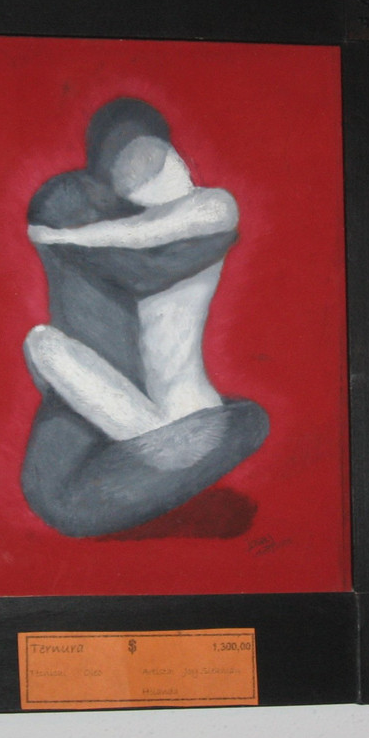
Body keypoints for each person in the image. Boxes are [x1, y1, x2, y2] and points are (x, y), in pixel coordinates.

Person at [21, 99, 268, 537]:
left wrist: (64, 237)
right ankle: (155, 439)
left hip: (182, 422)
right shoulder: (136, 247)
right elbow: (142, 241)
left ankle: (159, 441)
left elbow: (146, 234)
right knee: (40, 343)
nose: (149, 171)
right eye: (131, 170)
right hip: (142, 429)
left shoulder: (212, 207)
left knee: (41, 344)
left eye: (154, 159)